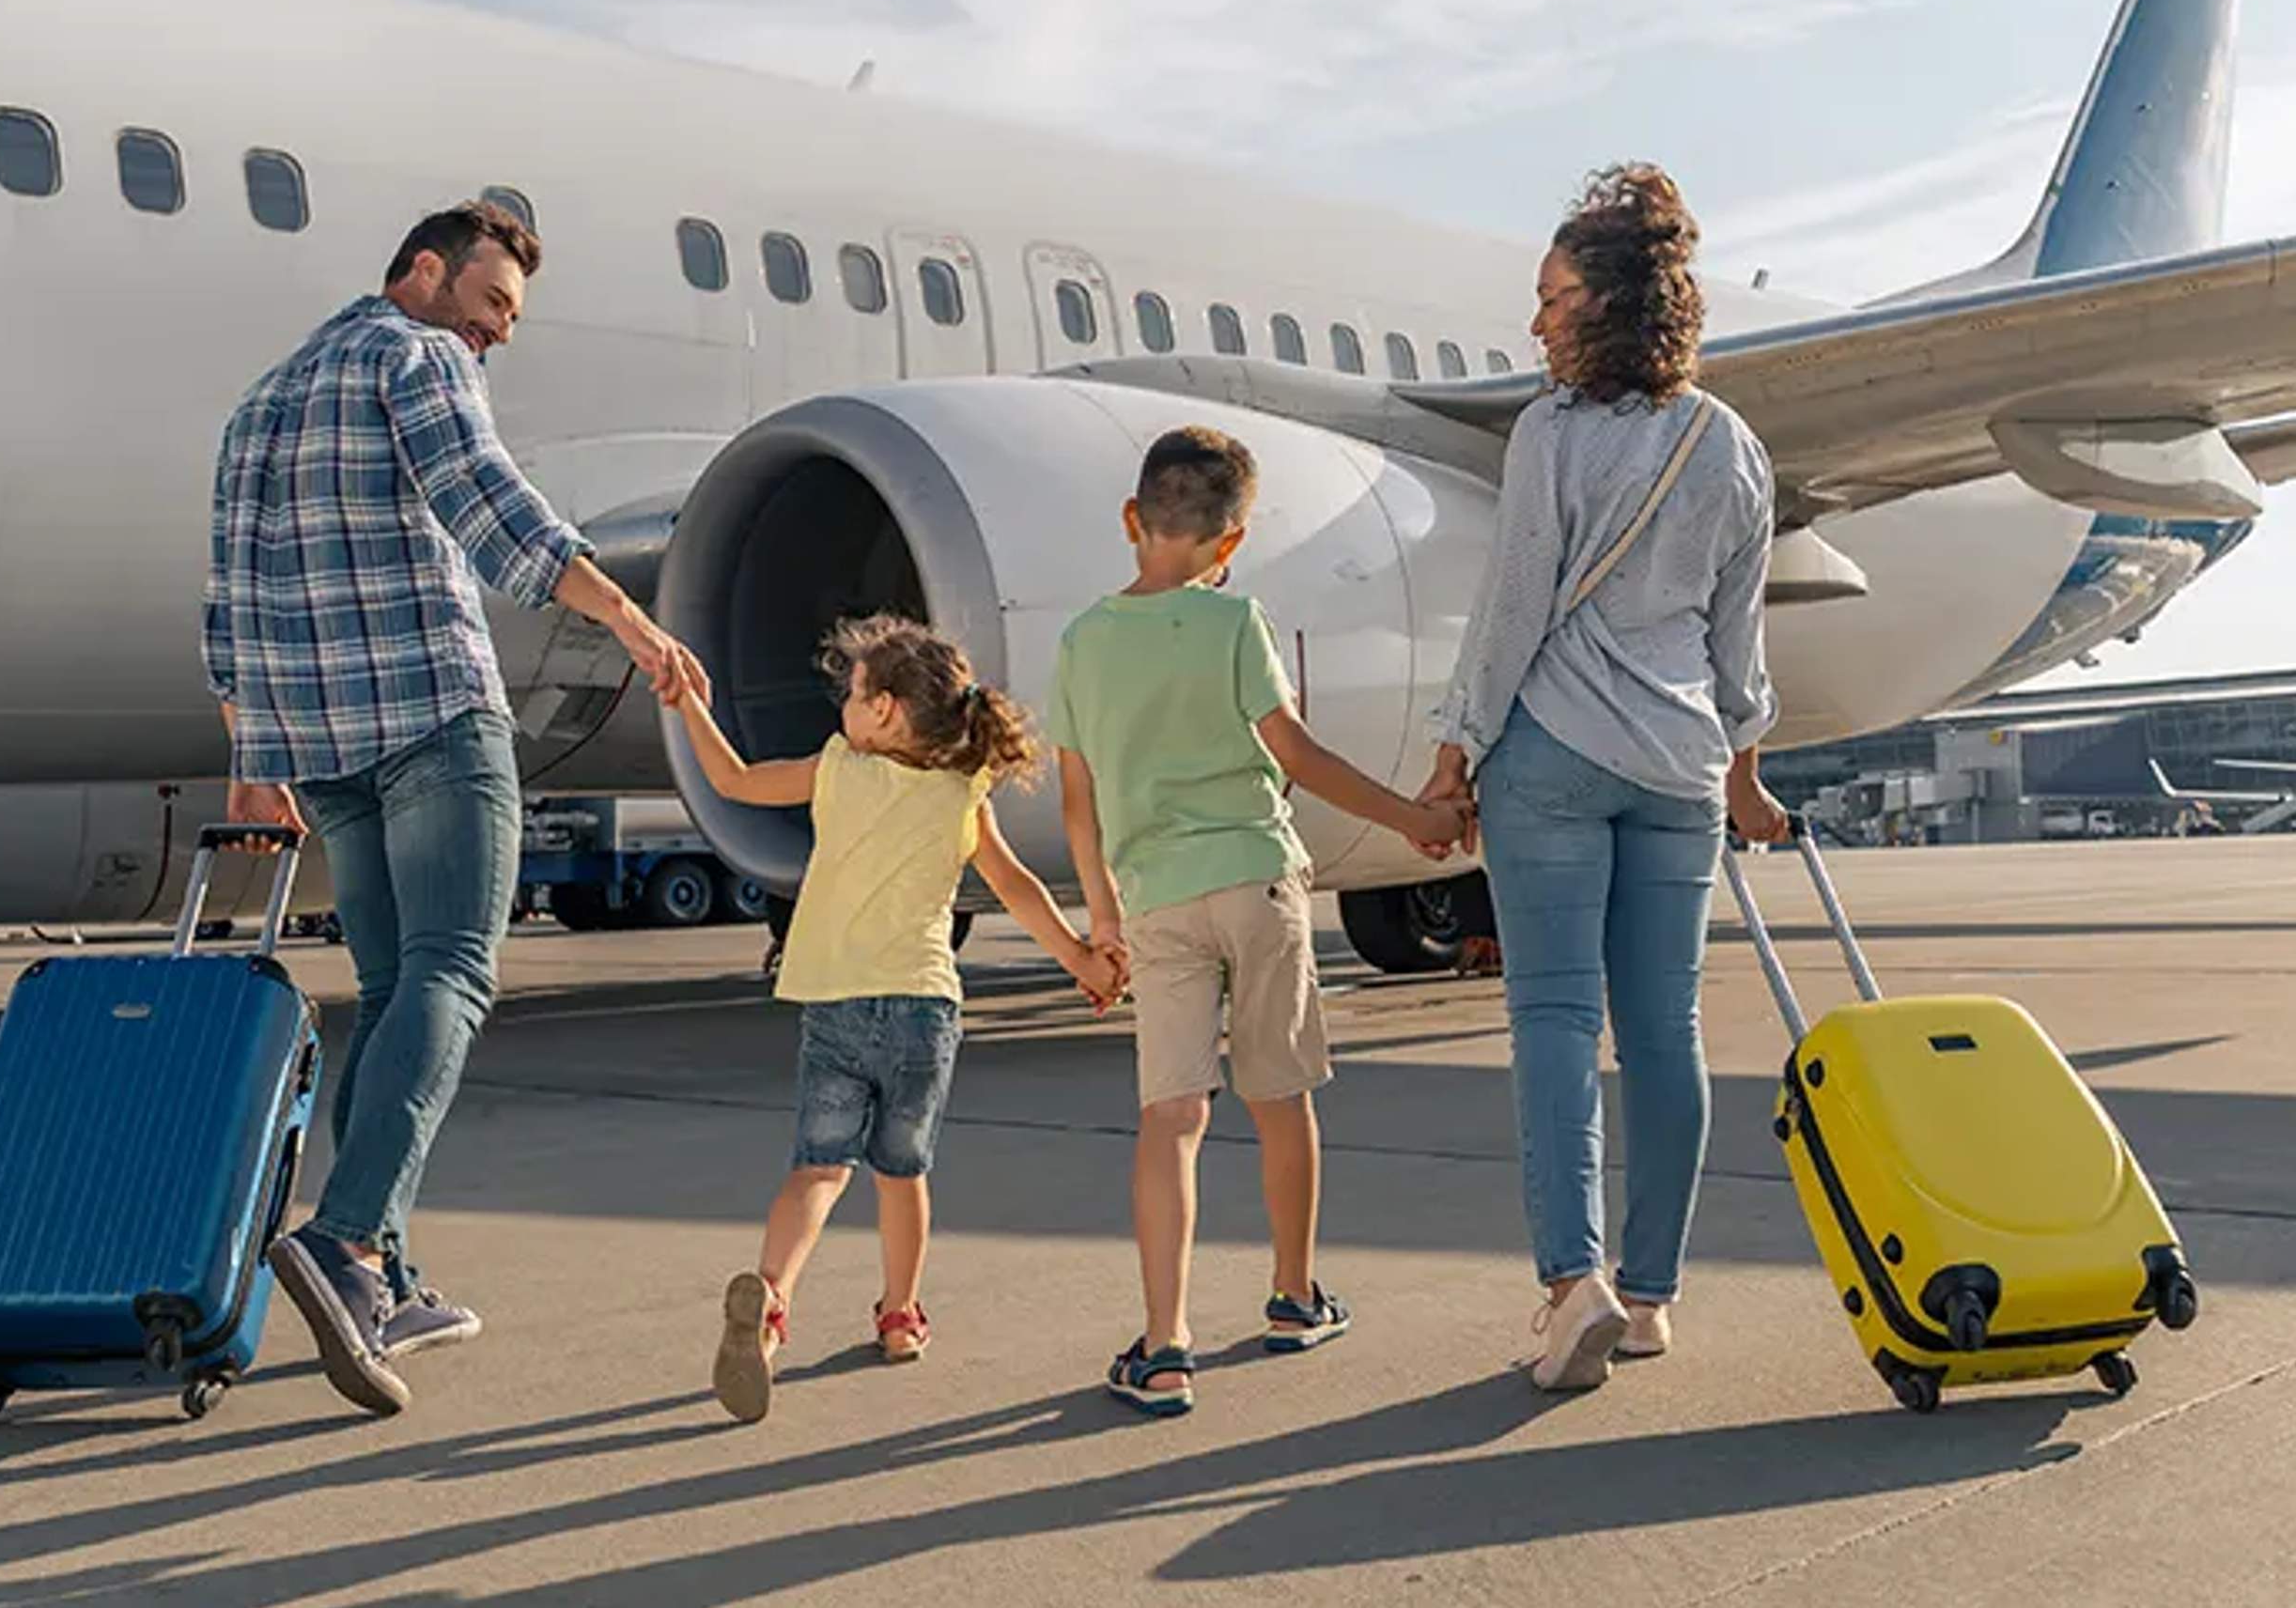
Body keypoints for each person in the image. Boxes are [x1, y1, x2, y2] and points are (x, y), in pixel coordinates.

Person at [206, 198, 705, 1418]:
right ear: (423, 273)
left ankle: (390, 1273)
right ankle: (350, 1242)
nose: (494, 336)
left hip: (322, 745)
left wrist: (251, 756)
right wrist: (634, 621)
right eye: (490, 306)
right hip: (431, 716)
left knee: (390, 990)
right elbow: (493, 509)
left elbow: (226, 603)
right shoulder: (412, 354)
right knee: (454, 974)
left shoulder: (260, 403)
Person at [1421, 164, 1791, 1395]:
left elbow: (1513, 608)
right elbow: (1740, 641)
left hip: (1557, 763)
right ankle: (1649, 1300)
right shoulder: (1733, 445)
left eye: (1553, 298)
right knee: (1666, 1035)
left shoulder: (1552, 435)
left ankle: (1568, 1286)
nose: (1535, 324)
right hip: (1681, 770)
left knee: (1557, 1027)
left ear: (1610, 306)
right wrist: (1743, 772)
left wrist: (1453, 748)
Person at [1053, 426, 1470, 1415]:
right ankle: (1293, 1295)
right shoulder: (1237, 621)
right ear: (1231, 542)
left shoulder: (1080, 641)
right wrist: (1415, 817)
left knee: (1172, 1118)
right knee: (1279, 1095)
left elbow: (1079, 803)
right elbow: (1298, 755)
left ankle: (1164, 1347)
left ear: (1131, 520)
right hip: (1255, 880)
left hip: (1155, 898)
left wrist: (1101, 920)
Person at [669, 616, 1120, 1423]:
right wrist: (1083, 958)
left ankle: (770, 1305)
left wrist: (688, 705)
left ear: (885, 712)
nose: (843, 704)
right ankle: (901, 1316)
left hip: (835, 1003)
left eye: (852, 691)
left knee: (817, 1169)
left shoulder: (839, 768)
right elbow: (1016, 886)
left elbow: (734, 780)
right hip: (920, 1007)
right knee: (902, 1174)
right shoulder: (961, 793)